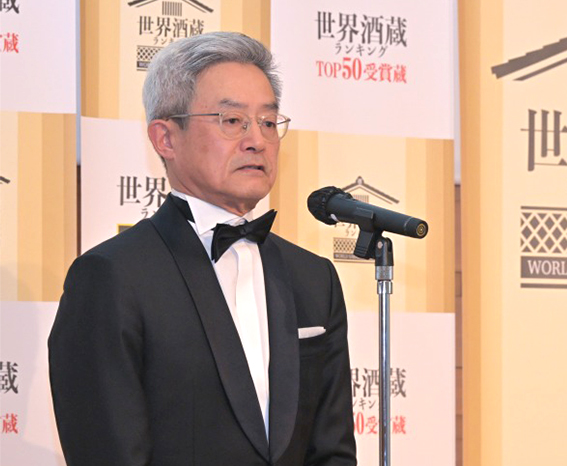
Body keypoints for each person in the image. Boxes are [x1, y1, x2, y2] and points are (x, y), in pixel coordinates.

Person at [49, 32, 356, 466]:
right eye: (232, 120)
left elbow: (332, 451)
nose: (257, 140)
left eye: (268, 122)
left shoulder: (313, 278)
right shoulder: (112, 276)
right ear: (165, 138)